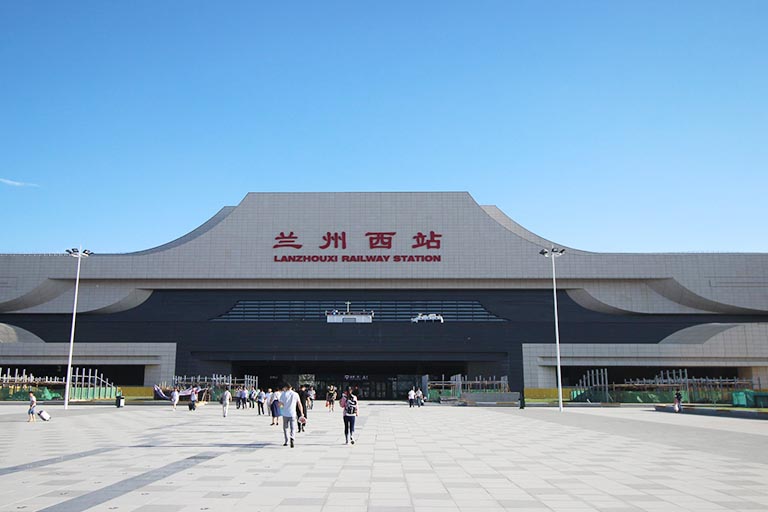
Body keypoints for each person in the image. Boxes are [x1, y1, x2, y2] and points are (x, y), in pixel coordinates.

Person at [279, 384, 304, 448]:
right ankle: (292, 438)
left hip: (285, 413)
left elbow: (280, 404)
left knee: (285, 428)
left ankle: (286, 441)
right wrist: (301, 413)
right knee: (293, 427)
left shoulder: (283, 394)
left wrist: (281, 409)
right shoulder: (295, 394)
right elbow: (299, 404)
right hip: (293, 413)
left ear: (286, 388)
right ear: (291, 387)